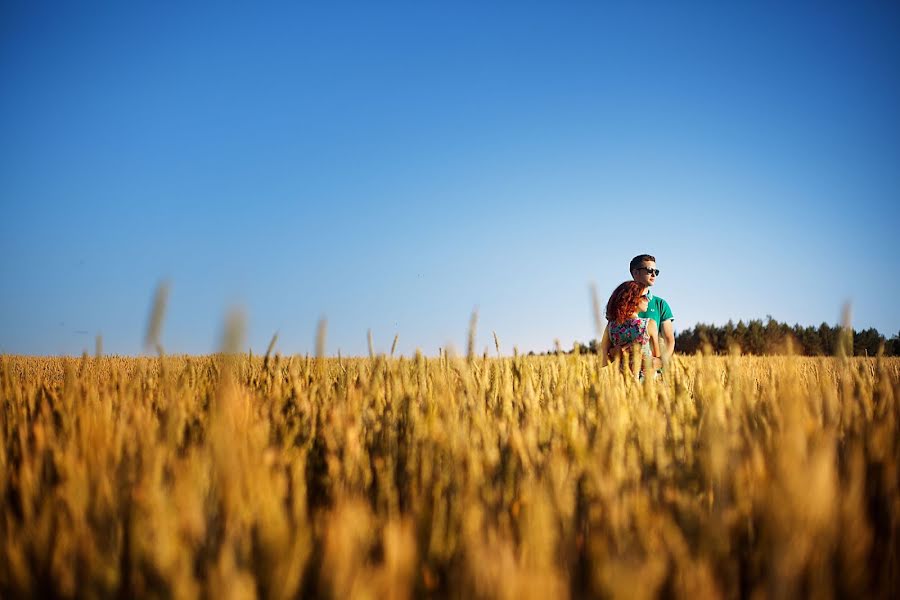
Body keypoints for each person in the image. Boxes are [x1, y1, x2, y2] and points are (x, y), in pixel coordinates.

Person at [599, 281, 662, 379]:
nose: (648, 300)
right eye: (645, 296)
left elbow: (601, 361)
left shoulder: (611, 327)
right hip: (646, 385)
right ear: (633, 299)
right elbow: (658, 360)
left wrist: (614, 353)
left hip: (620, 385)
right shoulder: (649, 325)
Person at [629, 254, 675, 364]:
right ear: (635, 273)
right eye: (649, 270)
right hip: (625, 375)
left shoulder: (661, 304)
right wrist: (616, 352)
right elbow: (608, 343)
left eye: (656, 271)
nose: (654, 274)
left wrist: (659, 363)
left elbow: (669, 341)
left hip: (654, 374)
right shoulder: (621, 304)